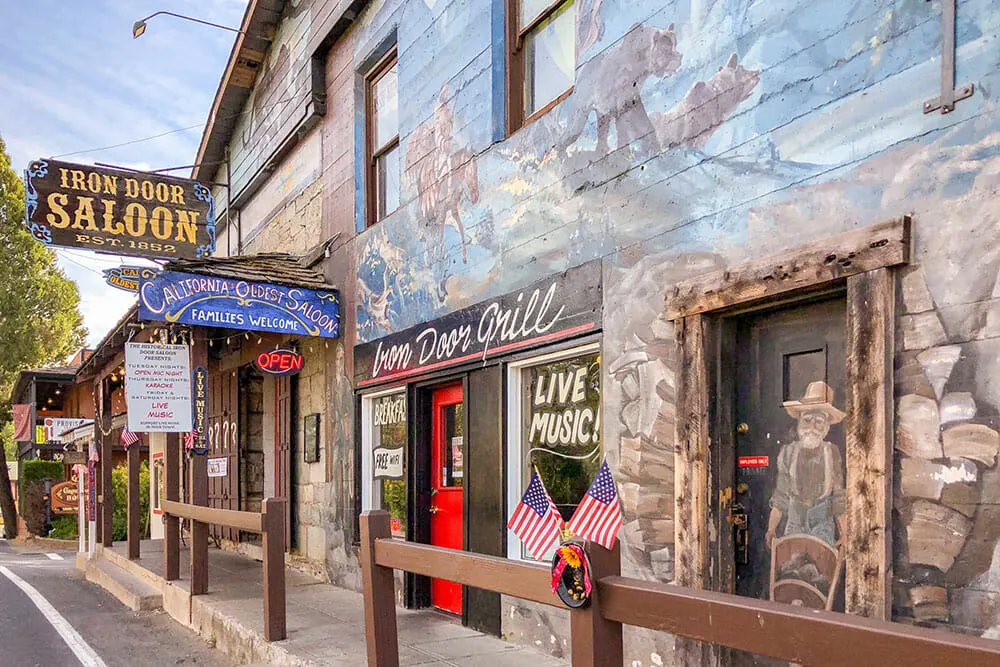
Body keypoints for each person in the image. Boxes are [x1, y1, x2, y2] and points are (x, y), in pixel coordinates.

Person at [765, 381, 847, 550]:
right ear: (799, 422)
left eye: (818, 421)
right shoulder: (788, 453)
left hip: (823, 526)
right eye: (807, 420)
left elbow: (838, 498)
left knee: (821, 571)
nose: (812, 427)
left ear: (827, 425)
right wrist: (771, 529)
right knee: (790, 570)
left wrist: (845, 533)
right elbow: (781, 497)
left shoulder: (832, 453)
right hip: (794, 526)